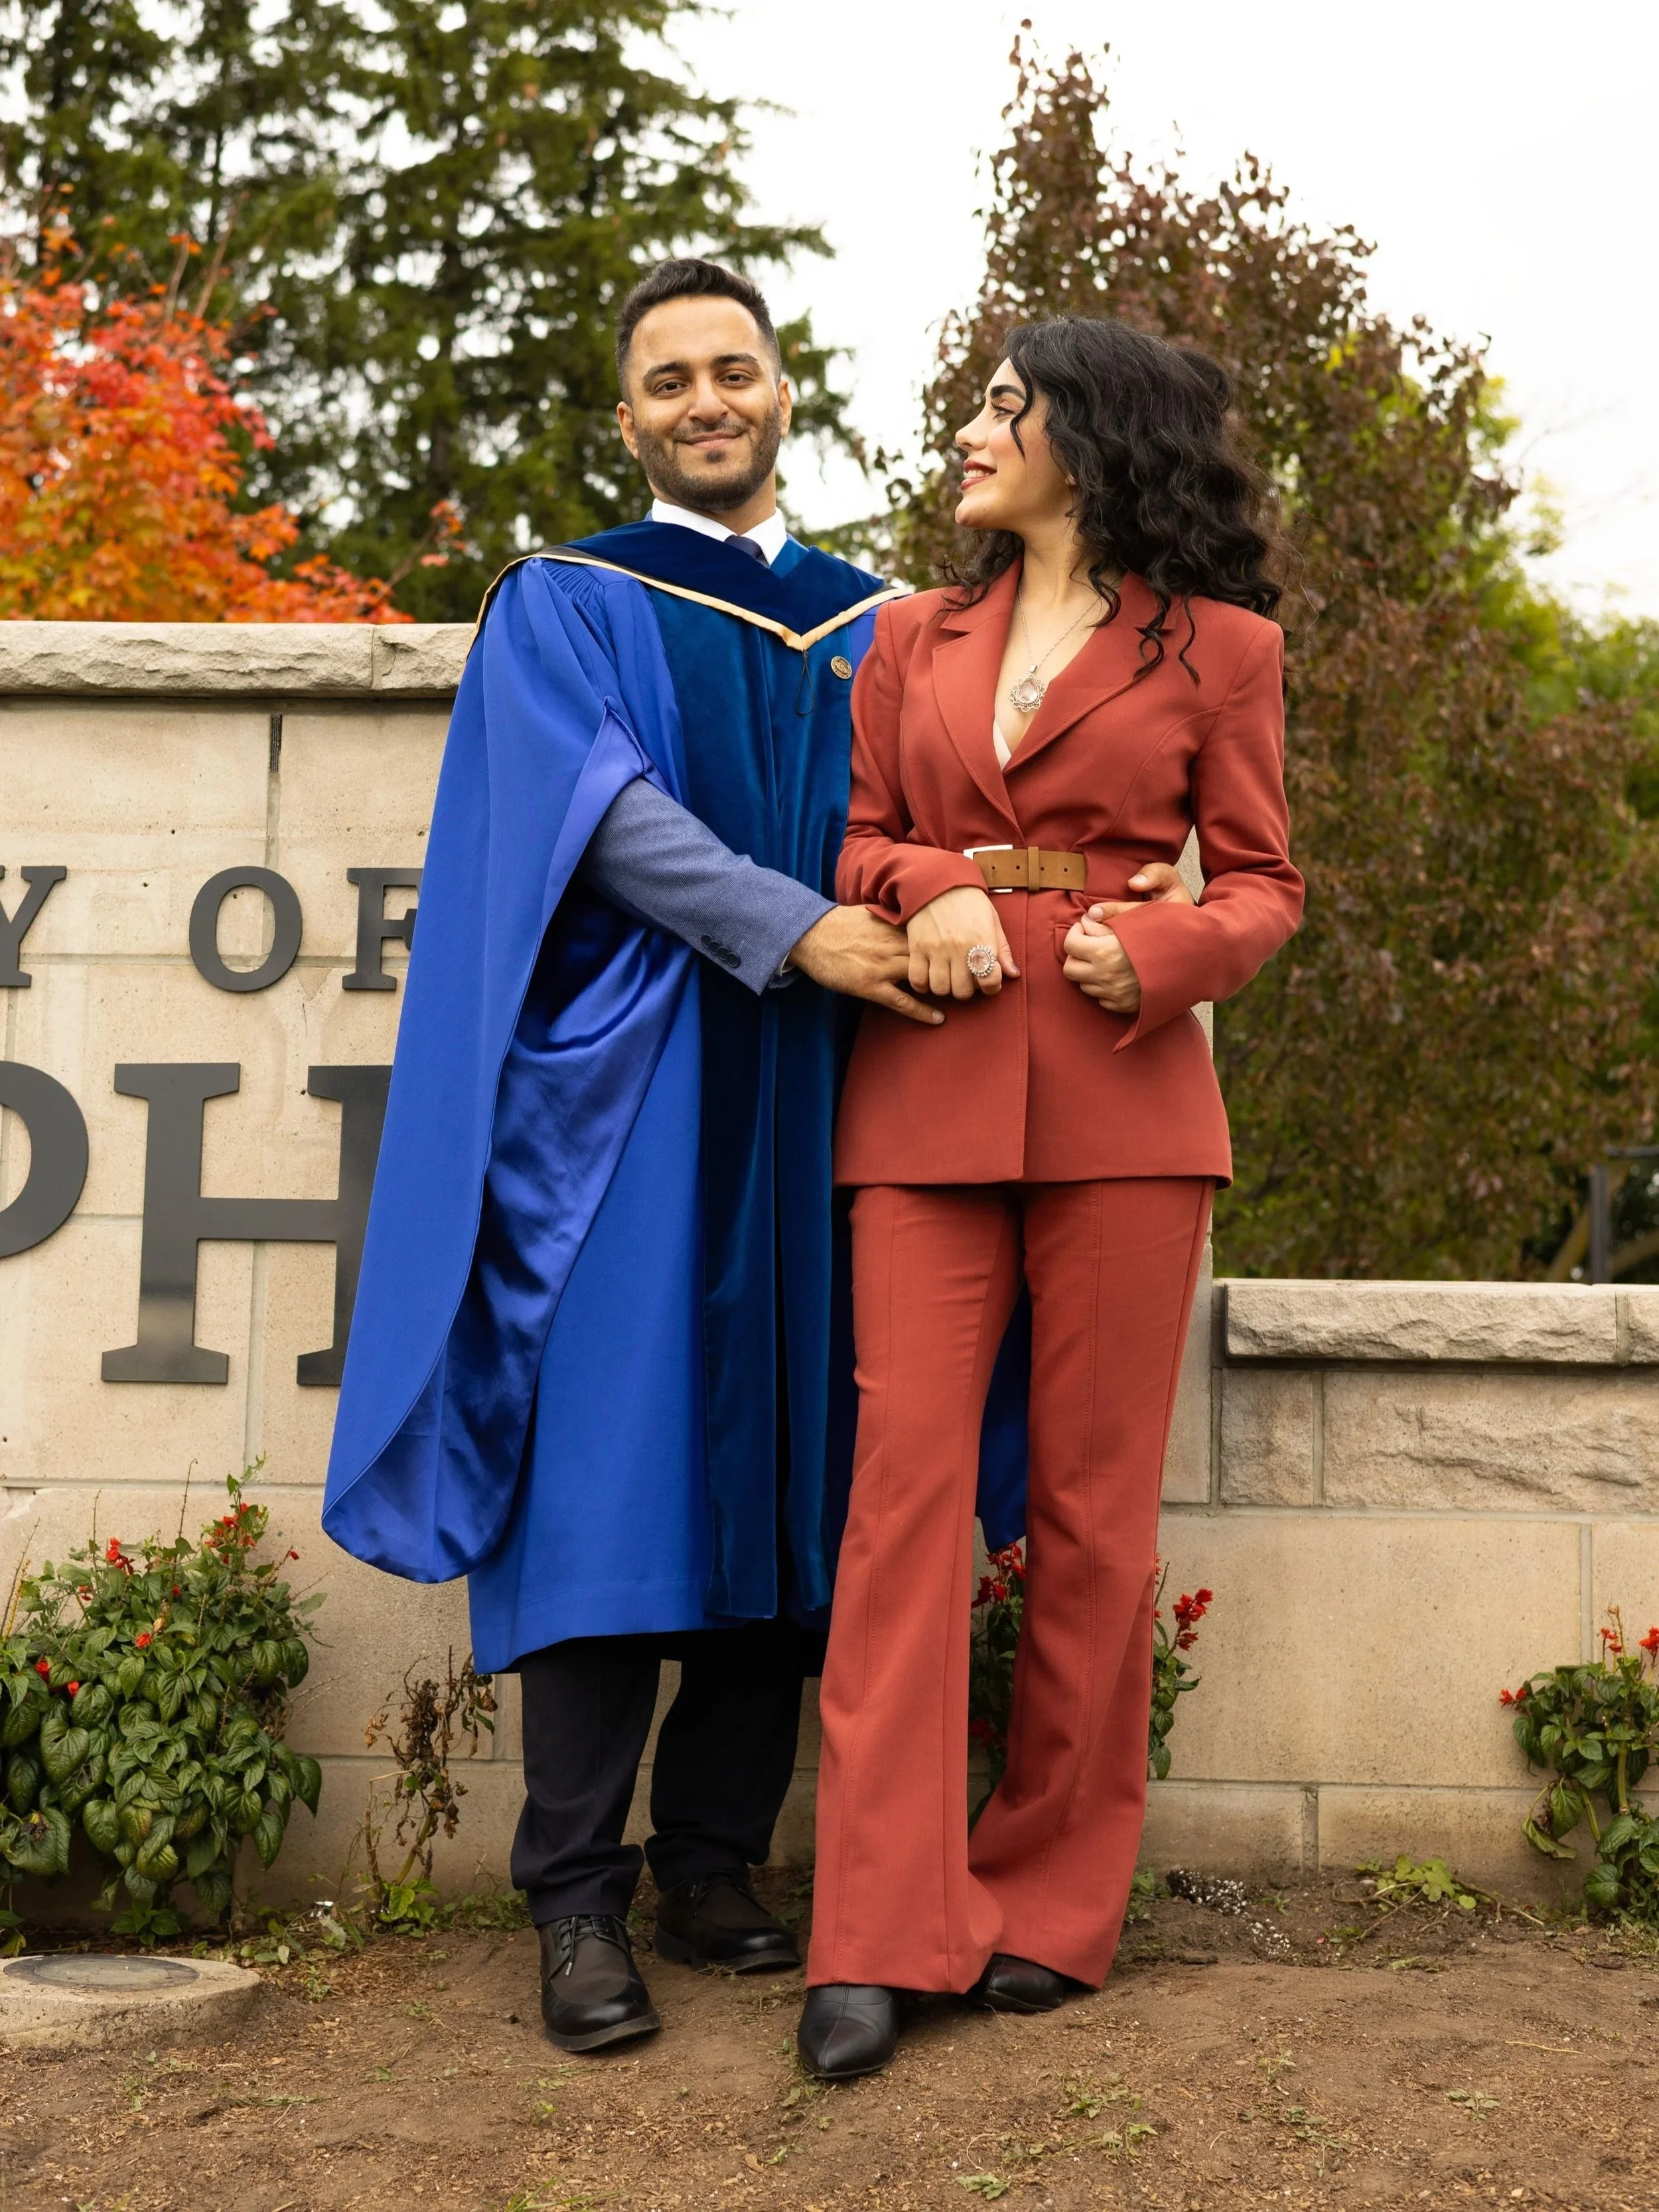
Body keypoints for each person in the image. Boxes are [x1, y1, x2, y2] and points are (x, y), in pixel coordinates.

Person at [323, 258, 946, 2055]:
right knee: (605, 1487)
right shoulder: (568, 601)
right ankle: (577, 1900)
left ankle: (717, 1861)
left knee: (798, 1469)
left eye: (731, 369)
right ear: (628, 417)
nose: (704, 400)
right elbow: (606, 820)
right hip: (630, 1099)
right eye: (667, 378)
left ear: (780, 390)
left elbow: (929, 824)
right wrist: (795, 925)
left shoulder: (875, 623)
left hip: (835, 1093)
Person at [796, 317, 1305, 2079]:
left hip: (1125, 1099)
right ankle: (871, 1925)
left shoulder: (1221, 650)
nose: (969, 427)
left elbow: (1259, 885)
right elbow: (854, 836)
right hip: (926, 1087)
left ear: (1086, 437)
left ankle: (1050, 1899)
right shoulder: (903, 638)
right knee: (903, 1499)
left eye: (1003, 405)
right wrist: (926, 880)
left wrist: (1158, 950)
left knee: (1089, 1513)